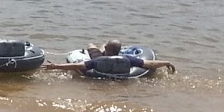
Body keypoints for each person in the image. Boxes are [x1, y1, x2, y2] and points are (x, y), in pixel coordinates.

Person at [43, 43, 175, 75]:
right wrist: (166, 62)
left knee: (91, 45)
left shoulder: (97, 61)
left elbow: (77, 66)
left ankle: (101, 46)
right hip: (119, 65)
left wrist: (56, 66)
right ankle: (111, 46)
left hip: (103, 61)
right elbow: (150, 63)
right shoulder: (129, 60)